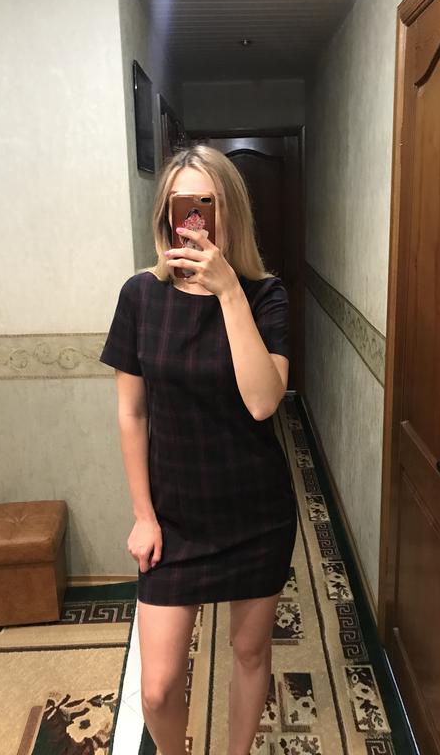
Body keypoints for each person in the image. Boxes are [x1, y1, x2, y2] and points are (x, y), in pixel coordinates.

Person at [100, 144, 297, 755]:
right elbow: (132, 412)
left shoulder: (265, 296)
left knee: (250, 652)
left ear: (227, 211)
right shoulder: (140, 296)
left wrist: (229, 292)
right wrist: (143, 514)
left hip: (255, 513)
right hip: (175, 515)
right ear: (165, 213)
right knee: (158, 688)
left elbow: (263, 402)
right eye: (179, 203)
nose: (190, 217)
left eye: (204, 203)